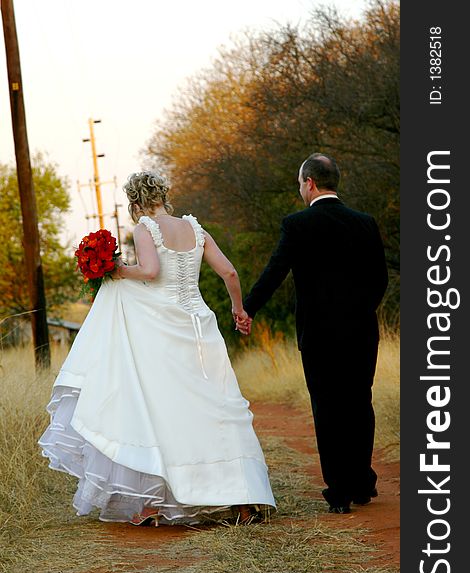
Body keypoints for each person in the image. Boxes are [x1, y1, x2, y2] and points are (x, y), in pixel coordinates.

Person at [38, 170, 276, 526]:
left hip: (164, 328)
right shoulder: (196, 229)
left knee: (165, 412)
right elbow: (229, 273)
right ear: (164, 195)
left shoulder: (145, 228)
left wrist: (117, 270)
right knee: (220, 409)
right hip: (201, 324)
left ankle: (154, 503)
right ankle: (242, 502)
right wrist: (238, 310)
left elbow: (150, 271)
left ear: (135, 202)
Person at [241, 153, 388, 514]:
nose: (300, 190)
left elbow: (275, 272)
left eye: (299, 184)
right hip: (361, 332)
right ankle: (362, 482)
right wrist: (359, 311)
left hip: (319, 333)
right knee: (359, 402)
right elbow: (380, 279)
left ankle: (339, 491)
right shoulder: (365, 223)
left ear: (310, 183)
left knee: (327, 407)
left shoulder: (297, 224)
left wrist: (247, 309)